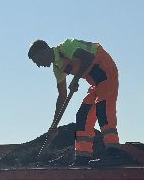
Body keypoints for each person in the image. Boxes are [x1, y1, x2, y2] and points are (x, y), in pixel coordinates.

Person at [28, 37, 123, 165]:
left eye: (37, 60)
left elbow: (88, 58)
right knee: (83, 115)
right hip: (95, 83)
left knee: (103, 108)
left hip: (106, 71)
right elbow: (62, 96)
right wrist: (54, 125)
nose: (39, 65)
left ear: (43, 52)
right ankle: (83, 157)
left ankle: (114, 153)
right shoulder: (57, 68)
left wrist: (75, 79)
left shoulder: (66, 46)